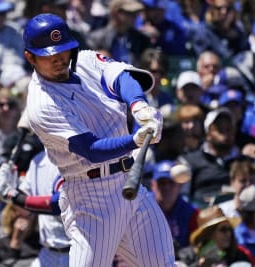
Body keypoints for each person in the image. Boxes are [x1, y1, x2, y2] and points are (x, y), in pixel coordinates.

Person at [19, 13, 174, 267]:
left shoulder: (86, 60)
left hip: (129, 184)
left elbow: (123, 77)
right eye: (49, 55)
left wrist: (139, 107)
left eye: (63, 50)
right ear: (30, 57)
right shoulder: (41, 104)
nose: (58, 59)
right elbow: (90, 150)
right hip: (91, 200)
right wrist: (135, 140)